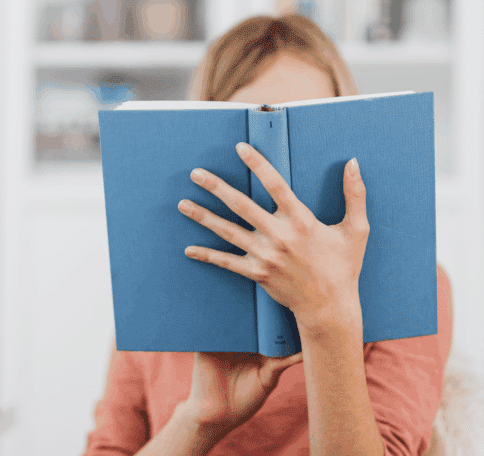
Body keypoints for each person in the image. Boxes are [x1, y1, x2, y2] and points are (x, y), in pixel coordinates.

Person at [83, 14, 453, 456]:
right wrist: (199, 420)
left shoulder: (413, 284)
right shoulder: (156, 292)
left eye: (310, 128)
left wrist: (327, 318)